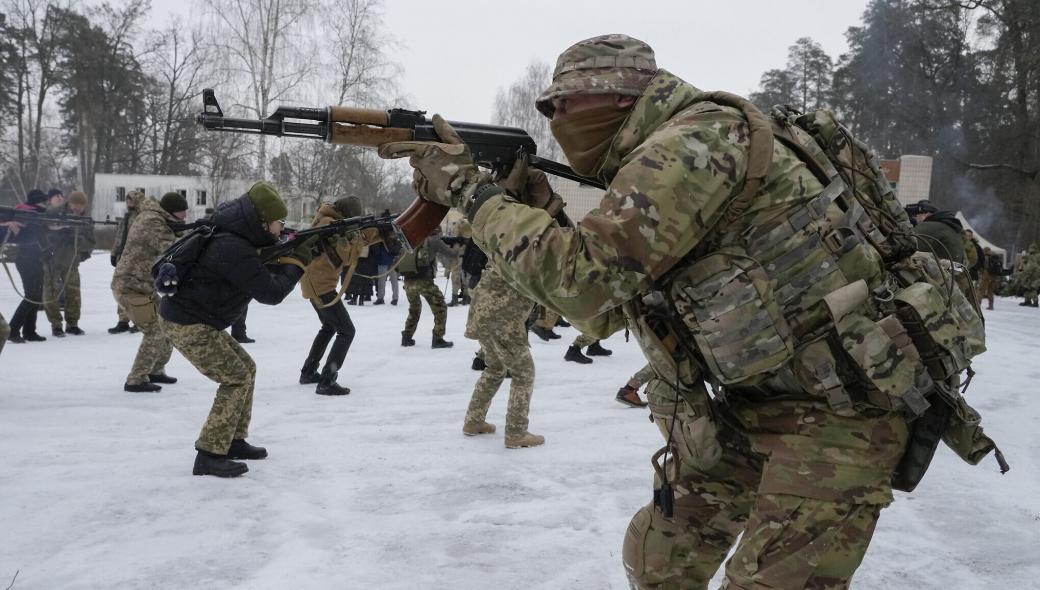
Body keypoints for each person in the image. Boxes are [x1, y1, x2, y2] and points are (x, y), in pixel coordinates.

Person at [380, 34, 999, 589]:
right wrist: (535, 213)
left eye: (561, 104)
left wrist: (469, 189)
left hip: (840, 412)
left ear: (617, 96)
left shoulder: (696, 141)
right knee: (660, 561)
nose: (554, 119)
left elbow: (584, 283)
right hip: (745, 403)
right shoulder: (663, 153)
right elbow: (604, 307)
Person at [159, 182, 311, 478]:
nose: (282, 228)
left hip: (195, 317)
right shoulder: (234, 247)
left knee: (246, 368)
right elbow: (271, 292)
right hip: (188, 323)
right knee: (236, 378)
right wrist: (299, 260)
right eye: (279, 223)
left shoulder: (236, 235)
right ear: (264, 222)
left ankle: (234, 440)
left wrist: (290, 248)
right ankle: (209, 453)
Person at [299, 196, 380, 396]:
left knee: (329, 327)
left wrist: (373, 233)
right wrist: (360, 238)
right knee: (347, 331)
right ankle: (327, 380)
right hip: (321, 285)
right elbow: (348, 257)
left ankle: (309, 372)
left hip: (314, 281)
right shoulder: (331, 226)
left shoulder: (326, 220)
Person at [463, 263, 543, 448]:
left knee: (495, 368)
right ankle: (517, 433)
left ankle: (474, 421)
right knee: (524, 374)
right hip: (503, 322)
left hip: (482, 318)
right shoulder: (530, 255)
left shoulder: (505, 248)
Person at [112, 192, 184, 392]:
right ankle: (135, 379)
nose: (185, 216)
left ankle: (155, 370)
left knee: (167, 322)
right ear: (171, 211)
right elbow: (172, 247)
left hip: (144, 286)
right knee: (154, 331)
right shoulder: (153, 221)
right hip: (130, 287)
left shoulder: (157, 217)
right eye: (182, 212)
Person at [43, 190, 95, 336]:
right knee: (50, 293)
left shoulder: (85, 220)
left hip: (72, 260)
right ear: (68, 203)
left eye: (81, 205)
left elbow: (91, 242)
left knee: (74, 293)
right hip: (53, 258)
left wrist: (78, 241)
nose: (77, 208)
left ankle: (72, 324)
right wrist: (59, 233)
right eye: (75, 204)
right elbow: (43, 231)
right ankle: (56, 325)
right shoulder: (55, 213)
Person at [398, 230, 456, 348]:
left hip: (408, 281)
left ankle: (406, 337)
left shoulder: (410, 240)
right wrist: (458, 246)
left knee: (414, 308)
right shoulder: (434, 240)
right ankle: (438, 339)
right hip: (424, 281)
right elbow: (451, 254)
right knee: (440, 307)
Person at [7, 189, 51, 343]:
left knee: (36, 296)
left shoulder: (36, 216)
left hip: (36, 259)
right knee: (31, 295)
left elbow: (42, 234)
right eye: (42, 201)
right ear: (36, 202)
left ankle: (29, 331)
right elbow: (28, 236)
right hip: (26, 260)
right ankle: (12, 330)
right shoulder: (27, 215)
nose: (44, 204)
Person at [109, 191, 143, 334]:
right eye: (127, 200)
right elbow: (120, 237)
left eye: (132, 200)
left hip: (136, 261)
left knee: (136, 291)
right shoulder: (126, 217)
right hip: (122, 259)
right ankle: (123, 320)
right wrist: (114, 253)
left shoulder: (142, 218)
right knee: (120, 290)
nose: (129, 203)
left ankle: (139, 321)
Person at [978, 247, 1001, 311]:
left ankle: (978, 305)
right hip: (994, 276)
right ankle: (991, 306)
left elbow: (983, 267)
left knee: (981, 290)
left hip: (986, 275)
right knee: (990, 291)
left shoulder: (986, 257)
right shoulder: (996, 256)